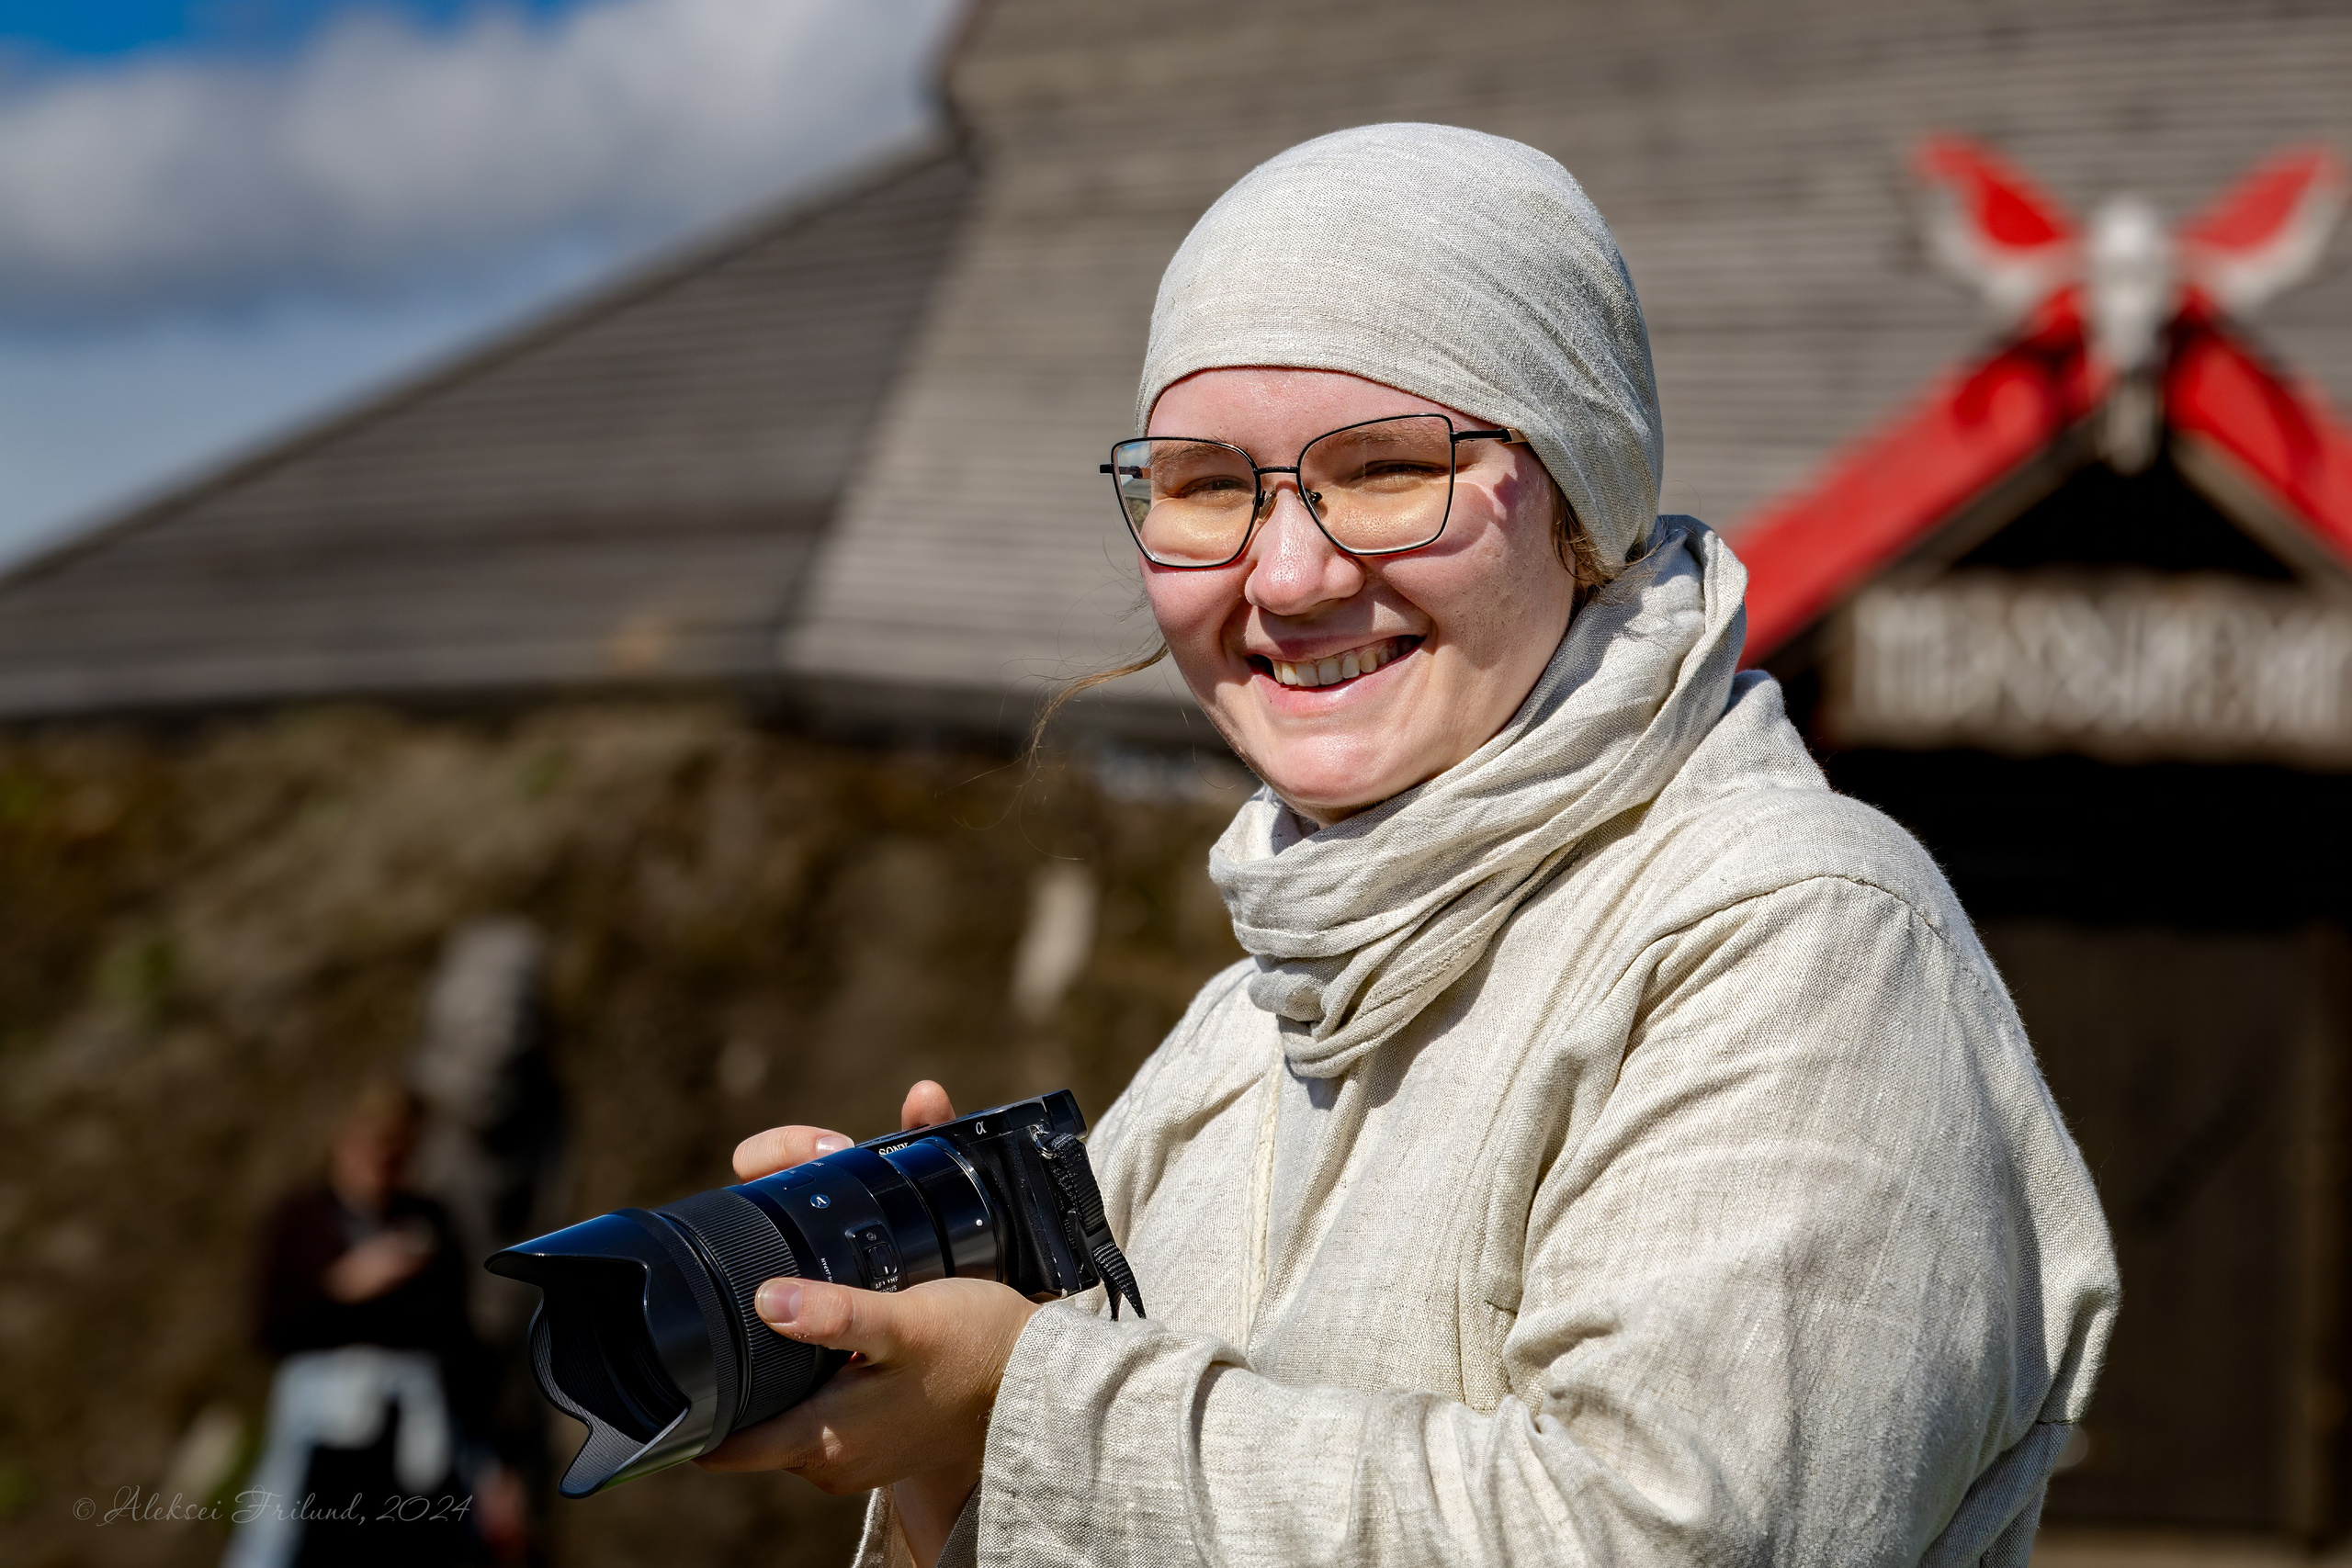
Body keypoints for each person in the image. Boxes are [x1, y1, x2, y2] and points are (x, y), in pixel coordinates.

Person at [701, 123, 2120, 1567]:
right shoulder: (1243, 1026)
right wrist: (944, 1426)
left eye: (1385, 467)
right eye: (1202, 483)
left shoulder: (1795, 933)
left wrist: (1027, 1398)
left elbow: (1663, 1538)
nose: (1291, 571)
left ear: (1580, 500)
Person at [229, 1078, 525, 1568]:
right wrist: (342, 1287)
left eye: (399, 1149)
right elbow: (268, 1328)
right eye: (375, 1144)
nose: (385, 1162)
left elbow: (462, 1349)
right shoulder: (301, 1220)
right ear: (344, 1140)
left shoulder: (429, 1223)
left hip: (419, 1438)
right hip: (328, 1435)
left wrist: (495, 1466)